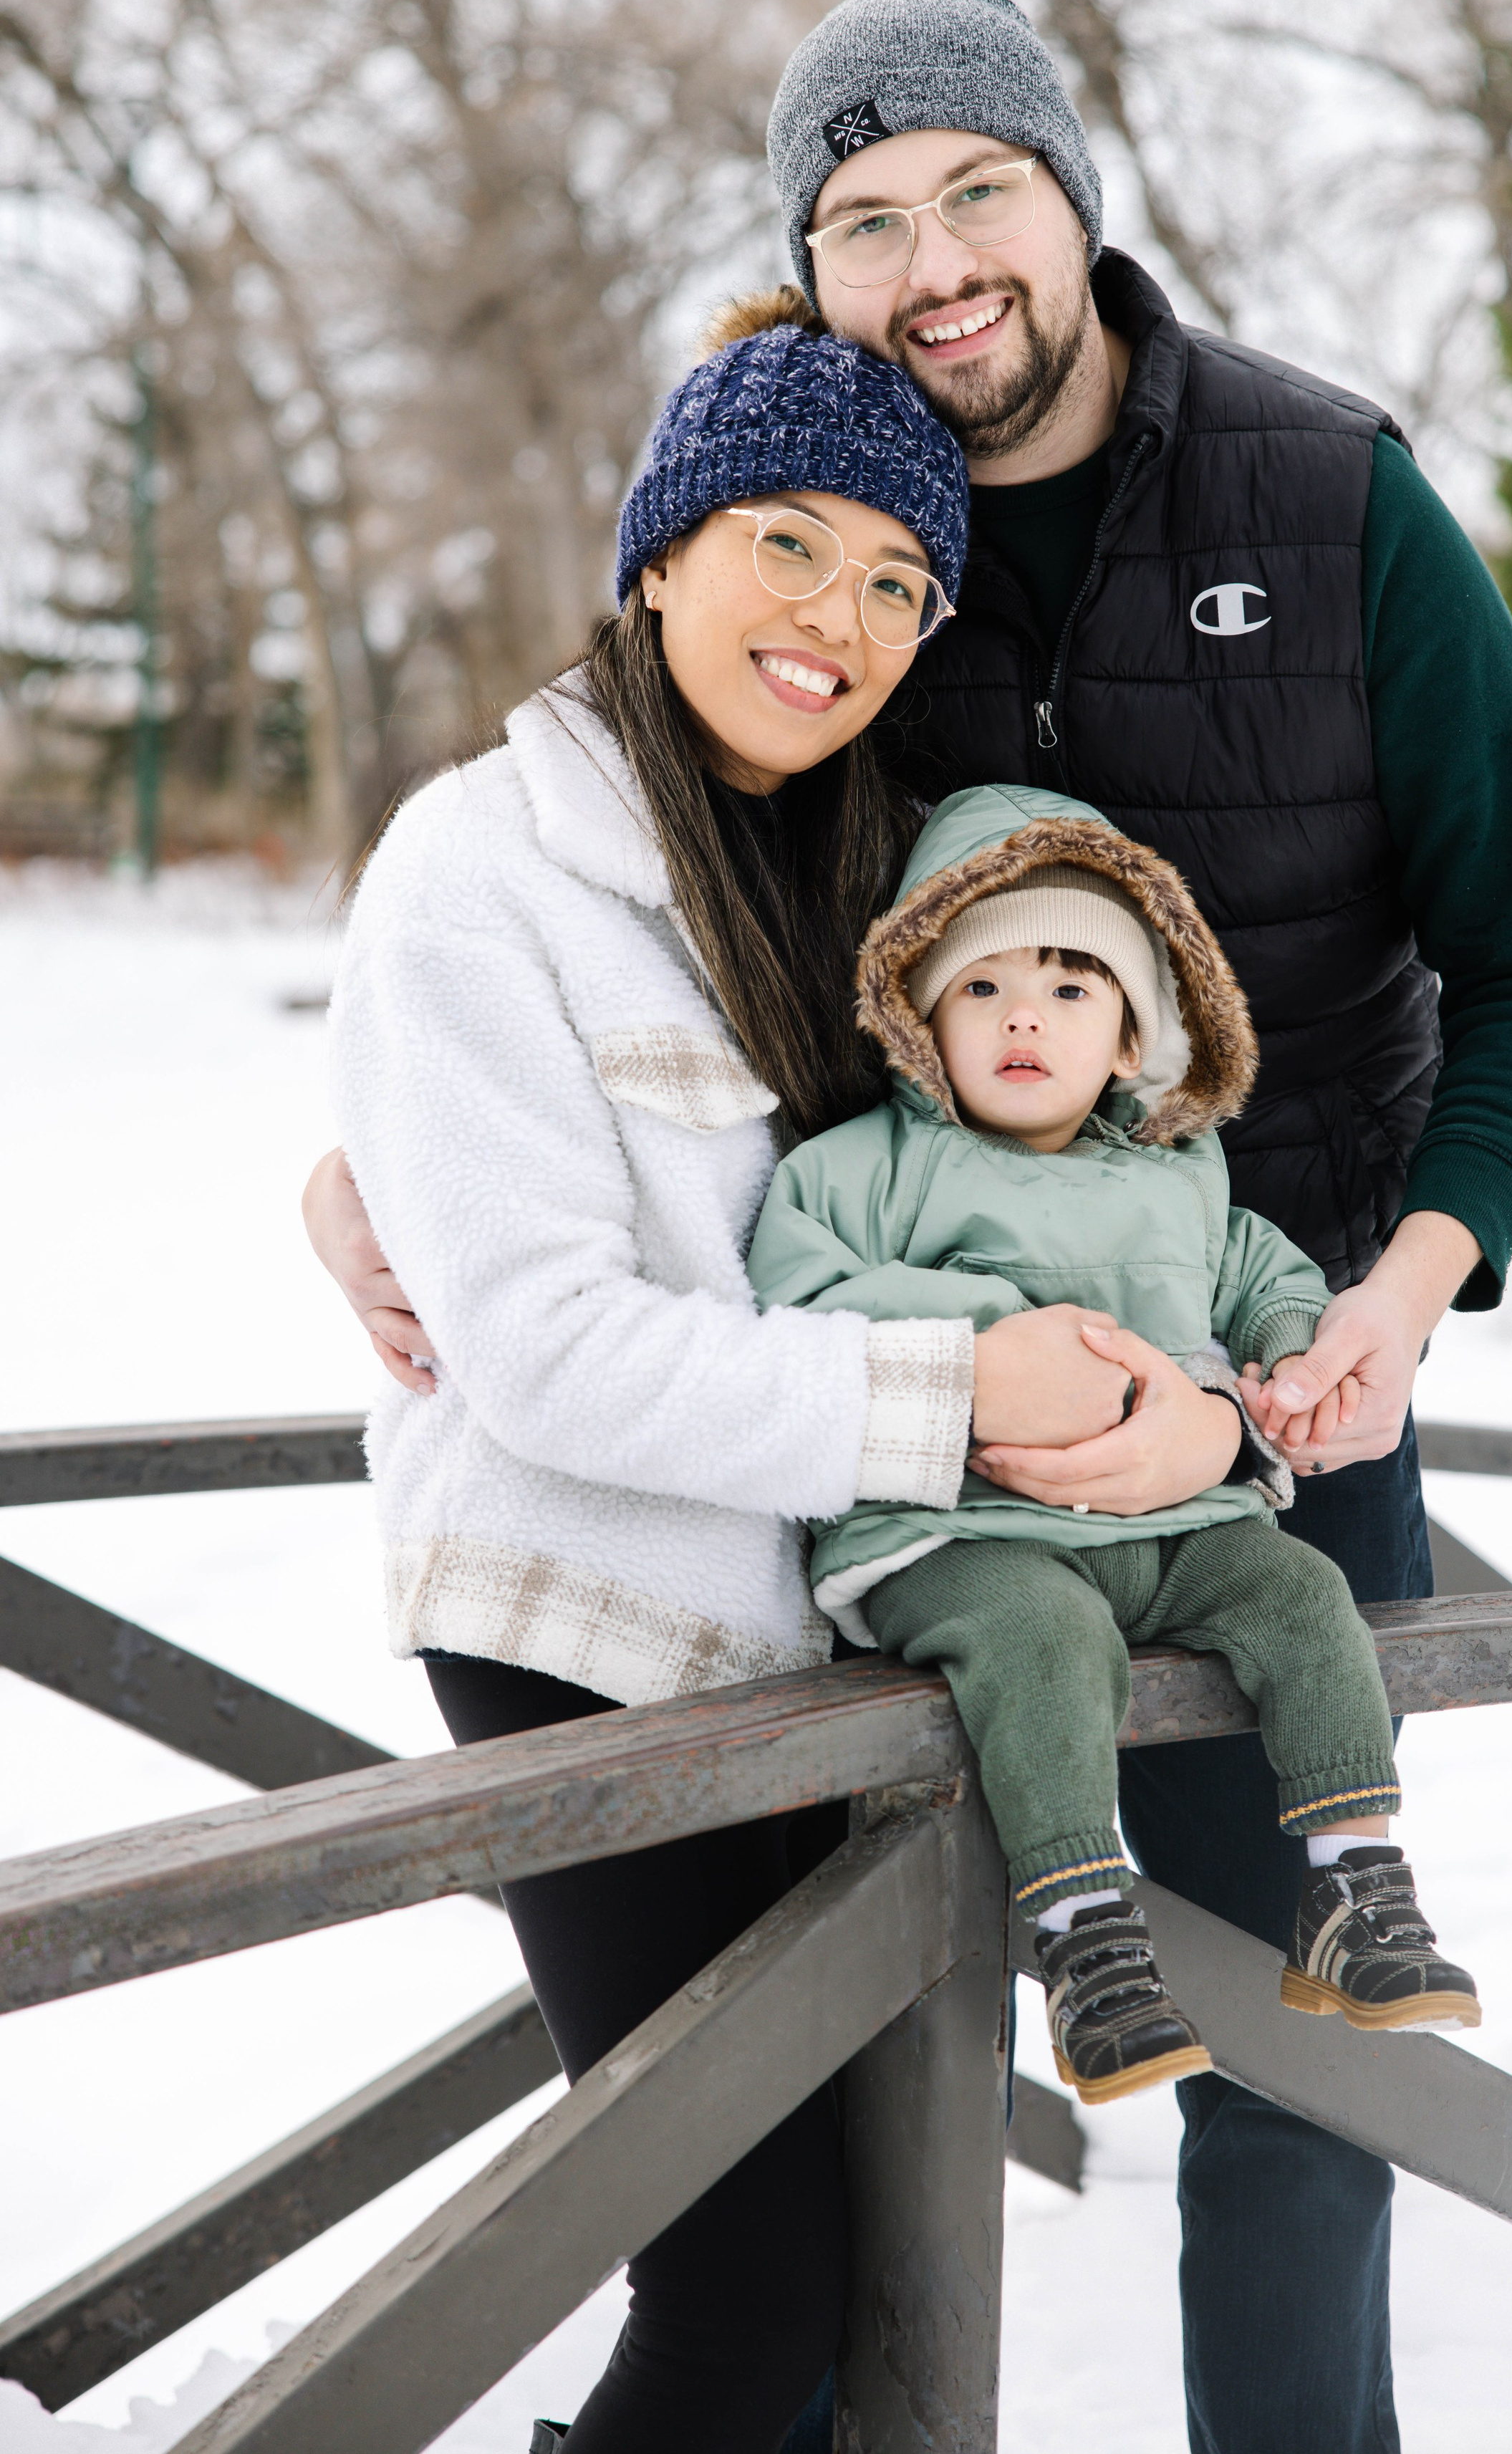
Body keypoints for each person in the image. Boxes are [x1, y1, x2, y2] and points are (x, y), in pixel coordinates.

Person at [311, 0, 1512, 2449]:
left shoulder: (1329, 495)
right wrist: (359, 1152)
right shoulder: (824, 542)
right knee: (834, 2135)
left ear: (1074, 197)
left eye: (978, 192)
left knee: (1294, 2042)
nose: (932, 264)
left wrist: (1403, 1297)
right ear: (805, 287)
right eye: (864, 219)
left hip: (1272, 1391)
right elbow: (584, 889)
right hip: (865, 1476)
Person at [321, 296, 1145, 2454]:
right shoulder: (478, 867)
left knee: (882, 2260)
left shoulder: (876, 865)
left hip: (834, 1627)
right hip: (583, 1621)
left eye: (899, 581)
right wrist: (958, 1402)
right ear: (661, 550)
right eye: (790, 543)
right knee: (739, 2281)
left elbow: (1011, 1166)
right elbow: (553, 1352)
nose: (843, 616)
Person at [748, 781, 1480, 2106]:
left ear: (1139, 1032)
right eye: (982, 988)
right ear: (917, 1016)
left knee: (1308, 1594)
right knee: (1045, 1647)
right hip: (970, 1533)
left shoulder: (1177, 1169)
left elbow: (1252, 1266)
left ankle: (1351, 1879)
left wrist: (1298, 1342)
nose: (1026, 1014)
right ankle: (1088, 1935)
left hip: (1169, 1532)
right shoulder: (858, 1168)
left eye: (1074, 985)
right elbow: (801, 1296)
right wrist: (998, 1328)